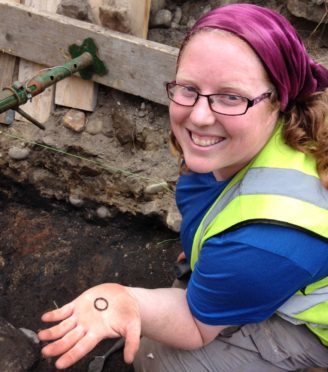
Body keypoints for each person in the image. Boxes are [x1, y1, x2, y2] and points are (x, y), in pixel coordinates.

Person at [38, 3, 328, 371]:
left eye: (232, 96)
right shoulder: (257, 139)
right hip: (266, 266)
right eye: (188, 88)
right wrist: (208, 258)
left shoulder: (268, 237)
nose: (200, 116)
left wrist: (129, 300)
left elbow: (195, 327)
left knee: (157, 358)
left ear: (279, 99)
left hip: (317, 326)